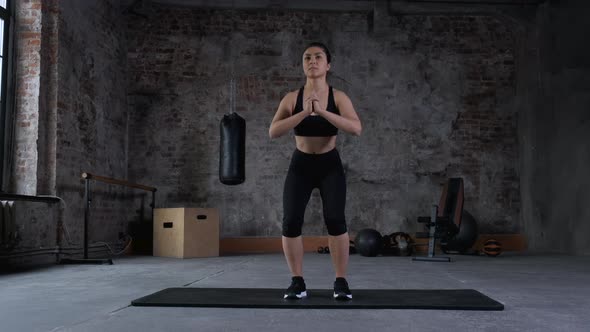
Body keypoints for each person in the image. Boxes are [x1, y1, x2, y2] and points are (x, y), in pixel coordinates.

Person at [268, 42, 362, 301]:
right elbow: (273, 132)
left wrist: (321, 111)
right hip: (301, 165)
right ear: (303, 64)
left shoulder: (338, 97)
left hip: (329, 163)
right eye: (307, 57)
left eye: (318, 57)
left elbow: (356, 128)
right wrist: (302, 114)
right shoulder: (292, 98)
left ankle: (340, 282)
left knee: (335, 221)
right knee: (290, 222)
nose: (312, 61)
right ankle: (297, 282)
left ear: (328, 65)